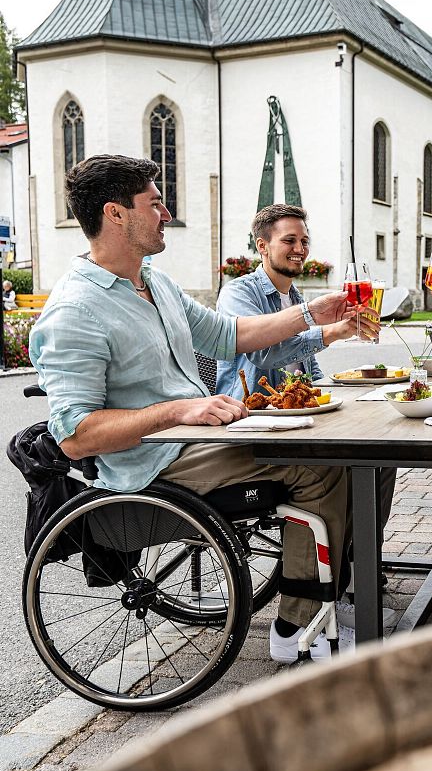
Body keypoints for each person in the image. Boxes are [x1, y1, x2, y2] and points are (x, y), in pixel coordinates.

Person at [29, 155, 355, 662]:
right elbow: (76, 435)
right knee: (321, 464)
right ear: (116, 215)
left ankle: (328, 593)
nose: (166, 212)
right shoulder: (75, 310)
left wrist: (311, 312)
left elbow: (229, 335)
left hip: (195, 442)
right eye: (155, 203)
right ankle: (298, 626)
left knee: (338, 448)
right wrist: (178, 410)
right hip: (152, 463)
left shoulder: (154, 283)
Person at [216, 203, 396, 628]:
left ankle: (353, 570)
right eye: (289, 241)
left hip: (298, 415)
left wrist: (340, 387)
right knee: (342, 466)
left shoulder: (296, 296)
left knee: (383, 457)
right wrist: (330, 332)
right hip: (256, 418)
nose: (300, 249)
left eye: (304, 241)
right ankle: (322, 595)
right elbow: (262, 350)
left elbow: (308, 370)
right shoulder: (239, 293)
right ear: (262, 246)